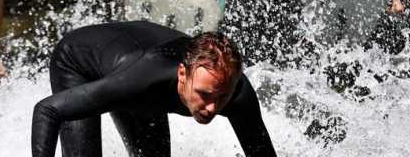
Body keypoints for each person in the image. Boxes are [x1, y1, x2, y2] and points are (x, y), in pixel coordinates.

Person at [31, 21, 277, 157]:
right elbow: (47, 111)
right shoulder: (144, 80)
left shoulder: (238, 94)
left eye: (222, 96)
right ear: (182, 74)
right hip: (78, 62)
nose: (212, 107)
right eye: (204, 95)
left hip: (137, 65)